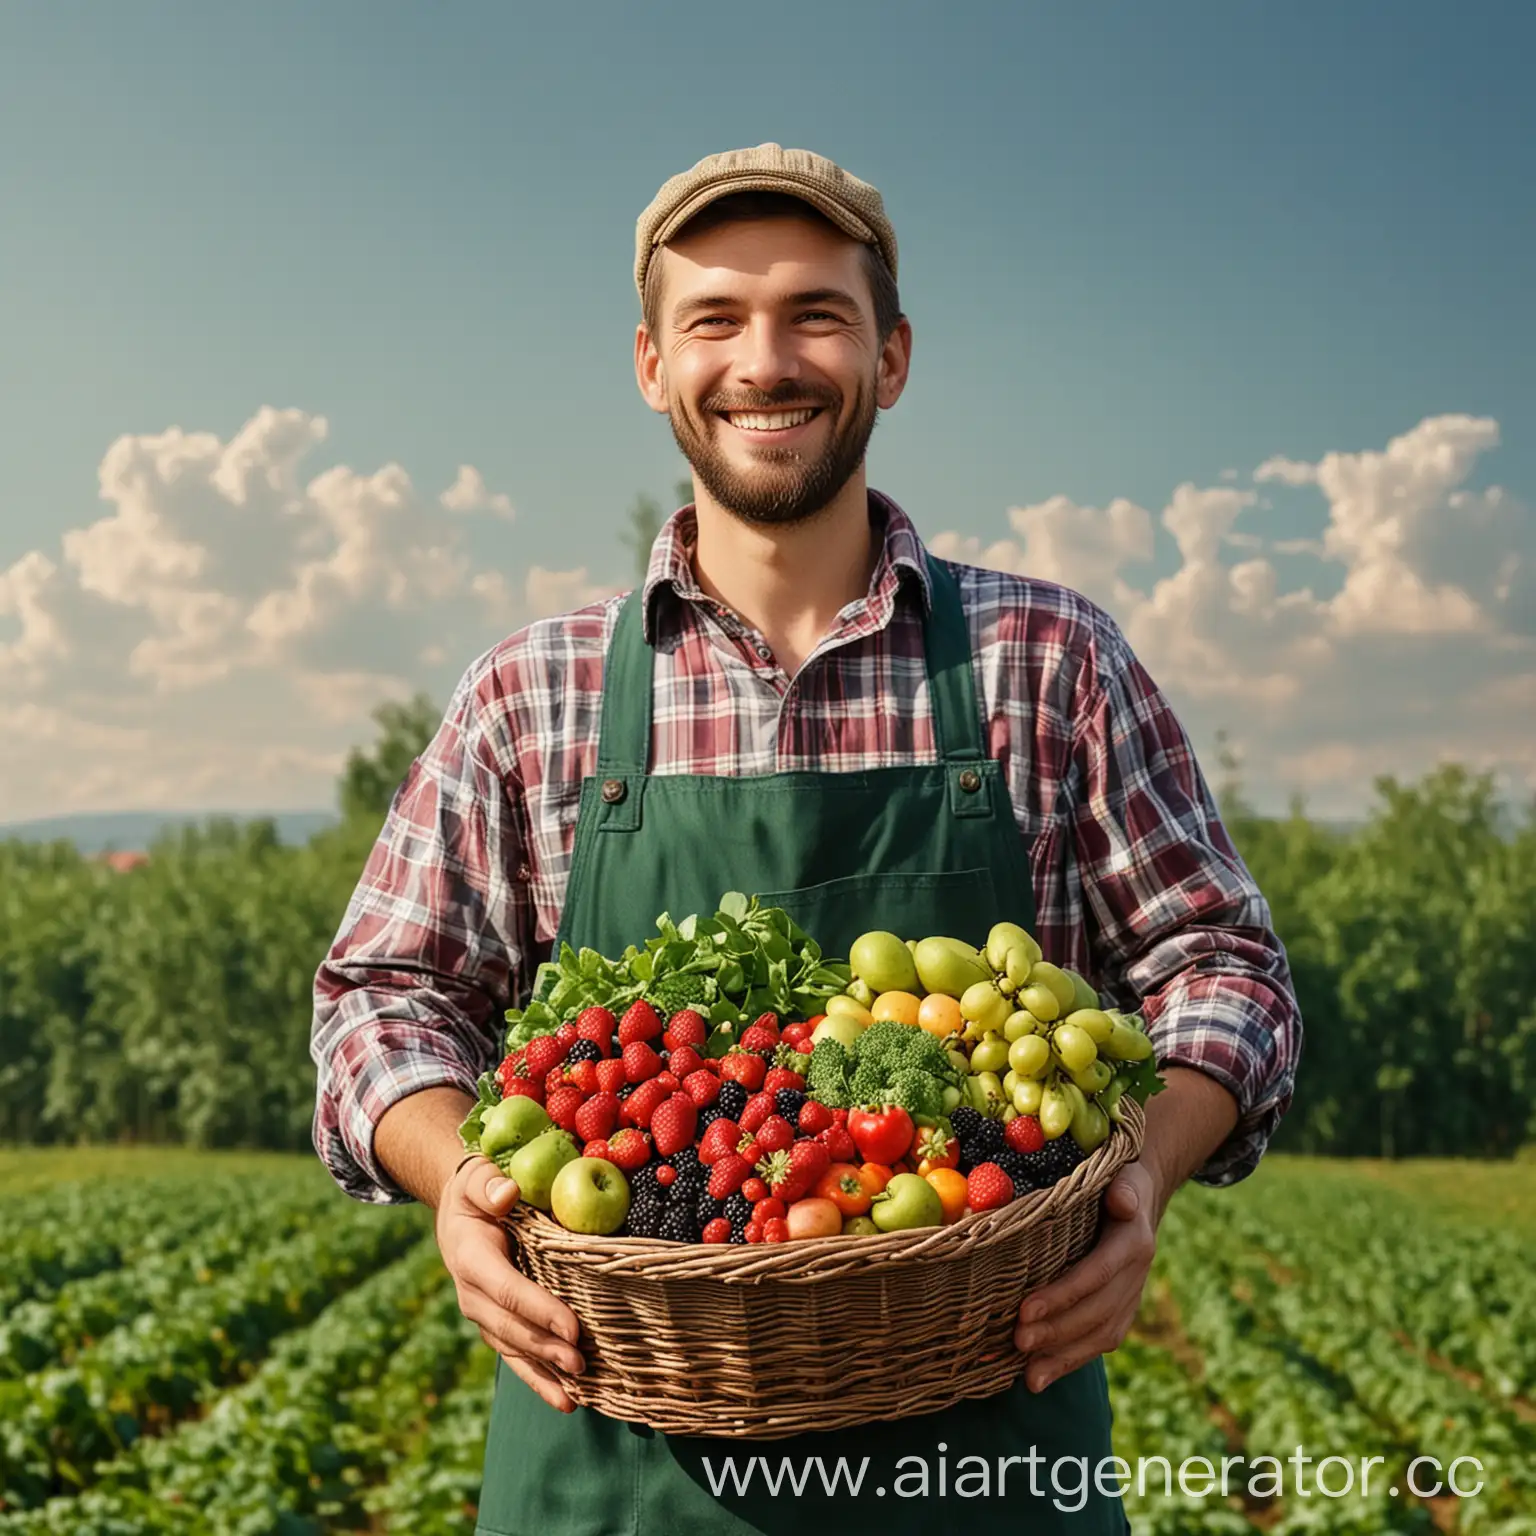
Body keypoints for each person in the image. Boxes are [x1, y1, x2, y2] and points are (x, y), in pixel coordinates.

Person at [311, 143, 1301, 1535]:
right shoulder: (531, 696)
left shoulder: (1048, 660)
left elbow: (1227, 968)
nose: (764, 362)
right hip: (614, 1469)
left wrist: (1143, 1160)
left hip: (987, 1456)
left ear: (890, 358)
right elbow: (381, 996)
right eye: (715, 320)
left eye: (815, 316)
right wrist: (455, 1176)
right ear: (652, 364)